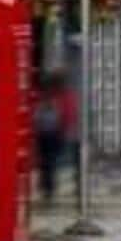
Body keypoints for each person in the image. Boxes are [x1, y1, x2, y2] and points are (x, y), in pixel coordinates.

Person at [33, 70, 76, 204]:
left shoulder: (42, 96)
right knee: (49, 161)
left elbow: (33, 115)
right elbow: (70, 115)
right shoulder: (65, 96)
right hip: (55, 133)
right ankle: (48, 188)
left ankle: (47, 187)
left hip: (45, 133)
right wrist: (65, 130)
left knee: (46, 161)